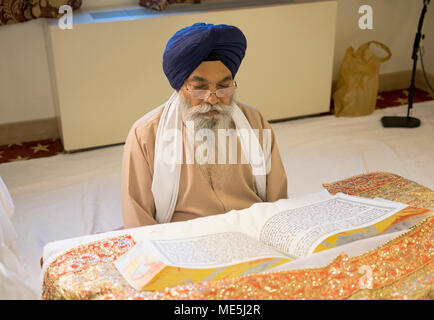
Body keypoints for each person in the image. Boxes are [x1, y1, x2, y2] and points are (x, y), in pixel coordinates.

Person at [121, 22, 287, 228]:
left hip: (253, 229)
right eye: (199, 88)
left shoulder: (254, 122)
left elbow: (278, 201)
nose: (212, 98)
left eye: (224, 87)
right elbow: (139, 221)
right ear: (180, 87)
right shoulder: (145, 134)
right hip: (186, 240)